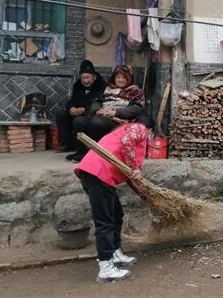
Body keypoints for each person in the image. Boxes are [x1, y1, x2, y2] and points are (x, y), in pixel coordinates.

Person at [75, 121, 151, 283]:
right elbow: (127, 143)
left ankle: (115, 252)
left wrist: (146, 196)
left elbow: (130, 176)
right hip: (98, 173)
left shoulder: (124, 133)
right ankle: (106, 267)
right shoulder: (139, 128)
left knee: (116, 215)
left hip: (98, 175)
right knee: (105, 221)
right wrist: (135, 168)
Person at [66, 65, 148, 162]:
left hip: (118, 119)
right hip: (101, 115)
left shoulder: (135, 91)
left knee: (97, 123)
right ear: (114, 78)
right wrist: (97, 110)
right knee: (79, 121)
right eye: (118, 77)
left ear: (129, 79)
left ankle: (94, 154)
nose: (121, 80)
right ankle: (82, 152)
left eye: (124, 78)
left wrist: (115, 112)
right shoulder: (108, 89)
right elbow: (97, 102)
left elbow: (137, 108)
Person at [55, 60, 105, 153]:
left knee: (80, 120)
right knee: (61, 114)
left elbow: (100, 103)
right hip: (78, 112)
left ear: (94, 77)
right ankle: (66, 143)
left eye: (87, 77)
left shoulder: (101, 86)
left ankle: (82, 148)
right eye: (83, 78)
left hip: (92, 114)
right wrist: (71, 108)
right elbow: (72, 100)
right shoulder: (78, 85)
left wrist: (85, 110)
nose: (85, 81)